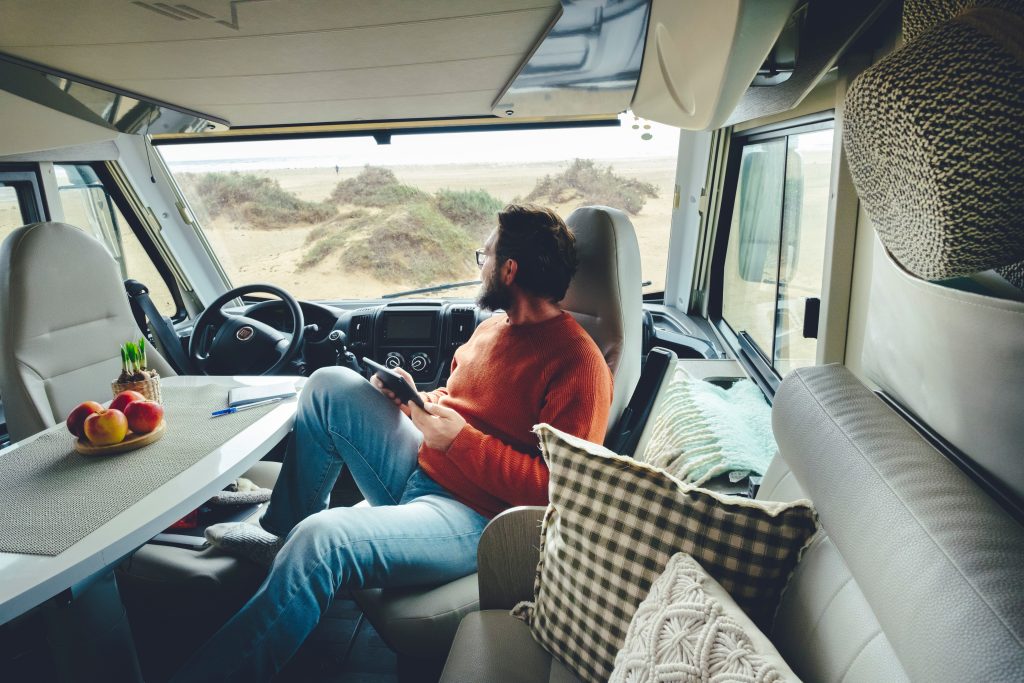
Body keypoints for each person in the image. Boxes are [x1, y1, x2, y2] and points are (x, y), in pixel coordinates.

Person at [171, 204, 613, 681]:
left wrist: (459, 441)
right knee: (329, 385)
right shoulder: (492, 328)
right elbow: (462, 403)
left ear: (509, 270)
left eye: (484, 256)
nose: (480, 264)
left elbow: (557, 493)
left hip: (477, 518)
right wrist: (417, 400)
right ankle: (280, 536)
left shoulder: (578, 364)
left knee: (324, 539)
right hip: (424, 464)